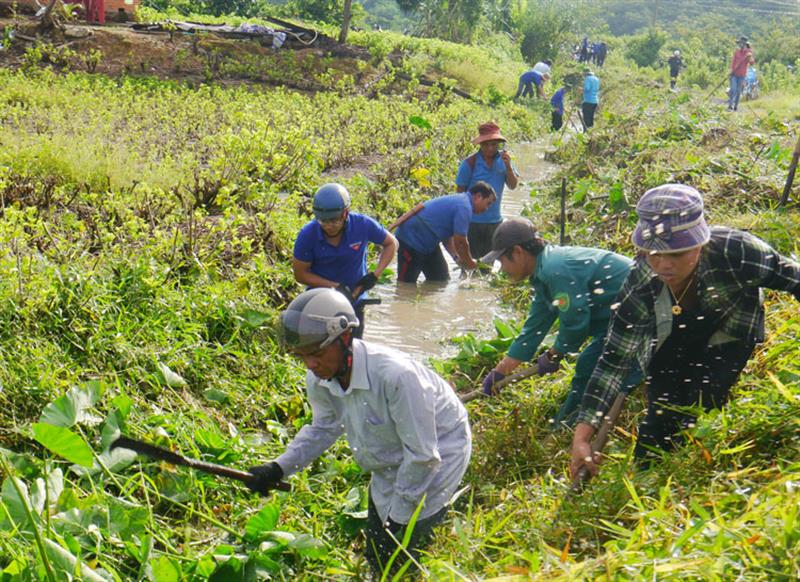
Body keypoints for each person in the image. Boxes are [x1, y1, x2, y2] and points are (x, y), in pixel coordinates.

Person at [570, 184, 800, 478]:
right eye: (654, 253)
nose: (664, 264)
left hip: (730, 331)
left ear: (700, 244)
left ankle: (701, 475)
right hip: (669, 338)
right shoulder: (640, 285)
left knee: (704, 402)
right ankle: (647, 482)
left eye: (677, 254)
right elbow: (614, 361)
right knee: (659, 420)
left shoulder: (738, 251)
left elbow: (794, 279)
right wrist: (583, 436)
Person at [247, 288, 472, 577]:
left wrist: (400, 520)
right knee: (378, 553)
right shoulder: (321, 376)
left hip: (440, 450)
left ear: (344, 338)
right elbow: (323, 428)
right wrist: (278, 468)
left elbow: (423, 456)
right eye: (301, 356)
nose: (310, 364)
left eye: (316, 353)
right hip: (392, 456)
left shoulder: (396, 377)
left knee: (408, 552)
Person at [478, 218, 642, 426]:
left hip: (640, 315)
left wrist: (554, 354)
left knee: (589, 368)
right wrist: (500, 372)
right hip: (616, 318)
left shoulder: (555, 269)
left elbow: (575, 321)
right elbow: (535, 327)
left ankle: (568, 427)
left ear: (518, 252)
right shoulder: (543, 272)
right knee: (590, 365)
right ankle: (569, 422)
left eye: (502, 261)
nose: (502, 269)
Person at [293, 183, 398, 338]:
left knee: (353, 349)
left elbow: (391, 243)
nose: (329, 226)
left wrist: (374, 275)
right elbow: (300, 274)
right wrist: (335, 287)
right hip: (321, 302)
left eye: (334, 221)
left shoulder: (362, 225)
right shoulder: (308, 235)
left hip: (355, 300)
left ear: (345, 213)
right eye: (323, 221)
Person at [395, 182, 496, 283]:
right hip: (411, 240)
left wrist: (457, 258)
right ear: (478, 196)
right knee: (406, 284)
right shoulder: (464, 207)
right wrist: (469, 262)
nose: (486, 209)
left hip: (429, 243)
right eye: (488, 203)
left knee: (441, 280)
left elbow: (447, 239)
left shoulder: (462, 202)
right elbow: (460, 241)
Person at [455, 122, 519, 258]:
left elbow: (513, 186)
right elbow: (459, 195)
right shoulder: (469, 163)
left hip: (494, 222)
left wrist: (508, 167)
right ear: (480, 144)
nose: (490, 148)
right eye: (486, 144)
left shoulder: (505, 160)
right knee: (469, 264)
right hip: (472, 223)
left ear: (498, 144)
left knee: (487, 267)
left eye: (494, 144)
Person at [729, 36, 754, 111]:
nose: (741, 45)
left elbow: (752, 63)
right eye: (740, 43)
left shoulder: (748, 53)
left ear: (745, 44)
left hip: (742, 75)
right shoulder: (736, 52)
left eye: (742, 43)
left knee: (738, 91)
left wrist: (749, 57)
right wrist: (731, 71)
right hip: (734, 74)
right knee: (733, 89)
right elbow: (733, 63)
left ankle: (736, 106)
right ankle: (730, 104)